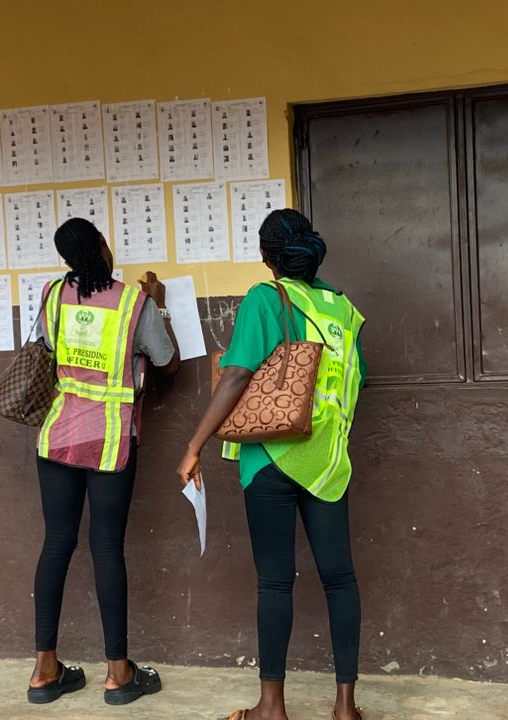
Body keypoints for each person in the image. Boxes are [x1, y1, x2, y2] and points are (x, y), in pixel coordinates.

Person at [177, 209, 367, 720]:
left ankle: (272, 708)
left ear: (266, 257)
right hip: (327, 460)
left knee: (275, 581)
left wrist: (195, 443)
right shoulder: (342, 308)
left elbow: (238, 375)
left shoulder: (268, 298)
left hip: (271, 458)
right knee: (340, 578)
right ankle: (346, 707)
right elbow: (358, 378)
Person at [27, 218, 179, 706]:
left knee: (56, 544)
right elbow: (166, 362)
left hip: (58, 436)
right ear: (100, 247)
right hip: (110, 439)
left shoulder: (53, 296)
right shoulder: (135, 303)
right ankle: (119, 675)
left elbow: (49, 350)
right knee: (107, 548)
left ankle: (45, 672)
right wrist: (159, 307)